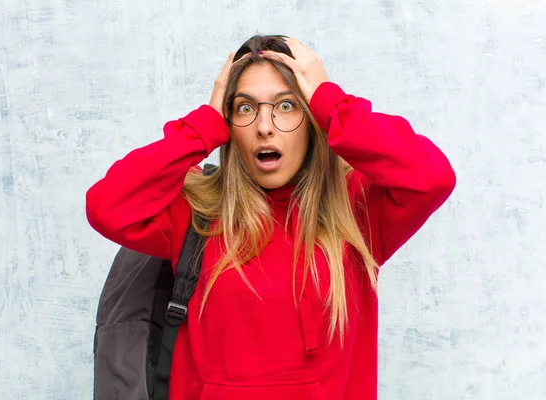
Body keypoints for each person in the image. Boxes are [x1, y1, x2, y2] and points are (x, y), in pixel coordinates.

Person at [86, 35, 456, 400]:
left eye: (286, 106)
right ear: (229, 123)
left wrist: (332, 104)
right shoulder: (196, 212)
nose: (265, 126)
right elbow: (106, 207)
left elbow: (433, 177)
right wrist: (202, 127)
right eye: (245, 108)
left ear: (312, 120)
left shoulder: (357, 212)